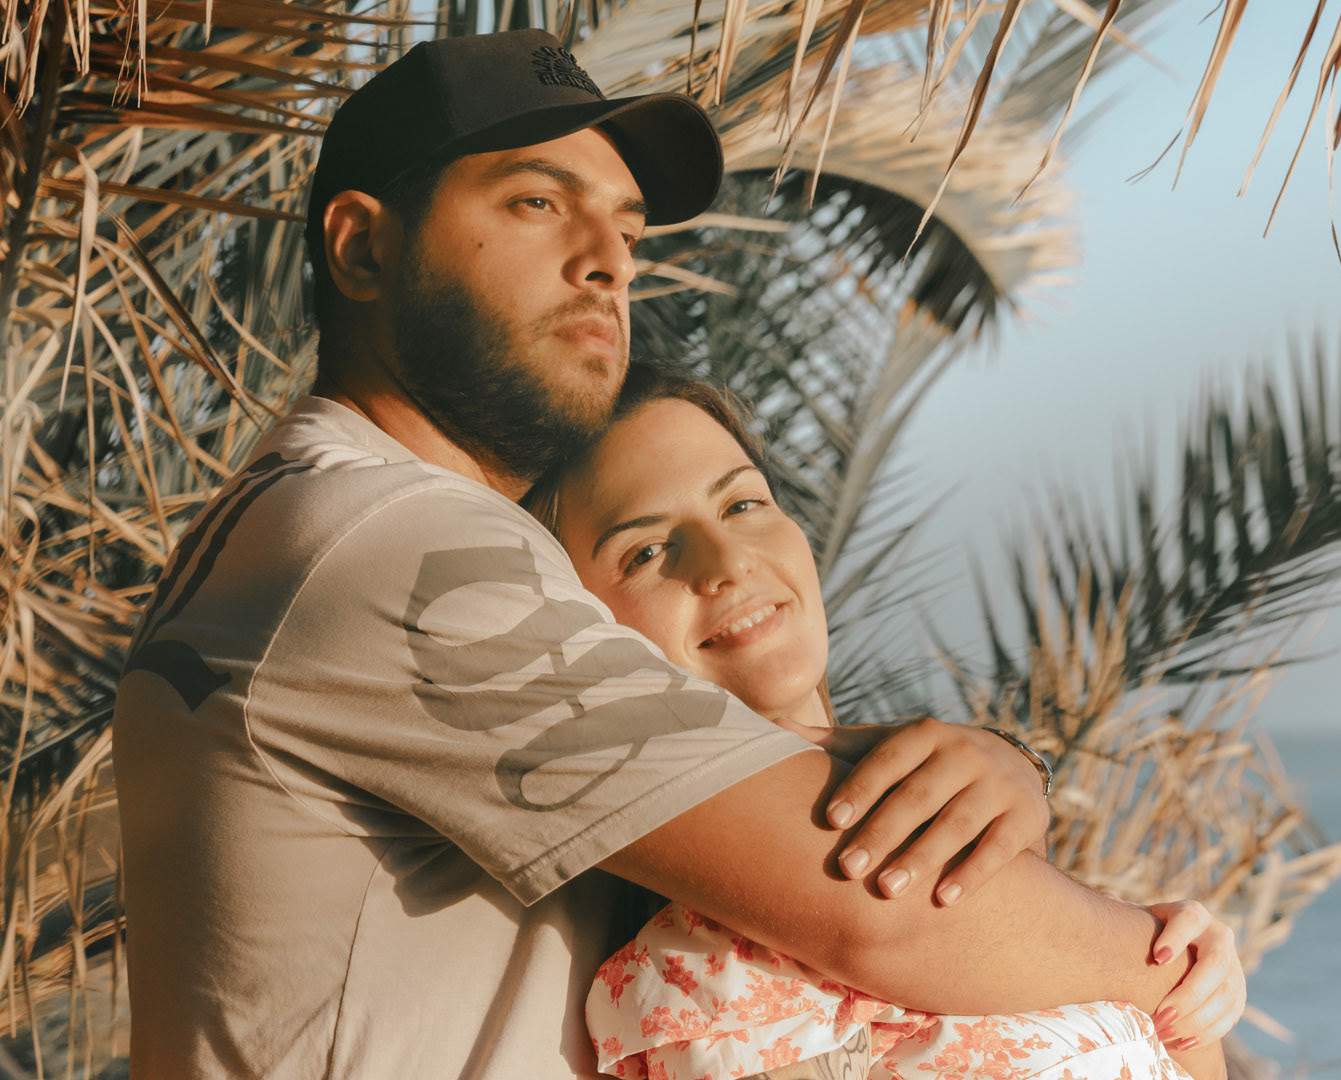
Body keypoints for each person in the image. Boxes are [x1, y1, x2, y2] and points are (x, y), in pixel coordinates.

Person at [111, 28, 1241, 1080]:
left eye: (626, 226)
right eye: (536, 201)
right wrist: (1168, 966)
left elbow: (706, 765)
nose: (605, 258)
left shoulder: (330, 529)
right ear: (360, 246)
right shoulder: (385, 545)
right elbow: (878, 909)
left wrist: (991, 766)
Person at [536, 364, 1222, 1080]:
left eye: (742, 505)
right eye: (645, 552)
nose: (727, 562)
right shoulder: (708, 976)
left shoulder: (968, 840)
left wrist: (1182, 965)